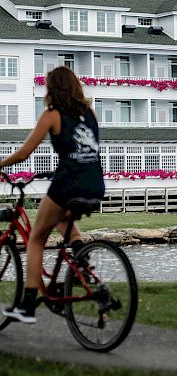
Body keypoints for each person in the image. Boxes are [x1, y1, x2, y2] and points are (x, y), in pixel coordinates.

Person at [0, 66, 105, 323]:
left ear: (52, 89)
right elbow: (81, 151)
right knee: (62, 219)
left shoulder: (52, 115)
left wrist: (0, 164)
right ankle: (82, 262)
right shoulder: (90, 113)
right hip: (94, 185)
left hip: (68, 186)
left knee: (36, 238)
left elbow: (24, 153)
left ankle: (26, 306)